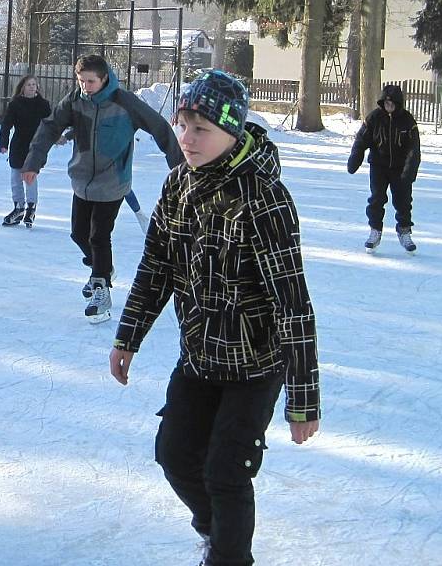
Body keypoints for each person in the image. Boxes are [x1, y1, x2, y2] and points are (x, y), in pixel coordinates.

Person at [109, 70, 320, 566]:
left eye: (200, 129)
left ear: (233, 131)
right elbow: (156, 266)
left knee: (227, 472)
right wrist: (128, 337)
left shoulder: (263, 199)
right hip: (200, 359)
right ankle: (218, 533)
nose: (186, 138)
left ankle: (228, 557)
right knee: (177, 457)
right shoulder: (178, 185)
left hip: (254, 366)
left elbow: (293, 302)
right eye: (183, 125)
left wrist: (304, 400)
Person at [21, 54, 181, 323]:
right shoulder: (74, 100)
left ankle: (101, 290)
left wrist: (181, 170)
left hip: (113, 182)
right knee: (78, 233)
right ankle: (102, 268)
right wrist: (33, 162)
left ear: (104, 78)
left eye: (91, 82)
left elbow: (160, 128)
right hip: (82, 181)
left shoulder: (124, 102)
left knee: (98, 236)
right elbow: (50, 127)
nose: (85, 86)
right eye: (81, 81)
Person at [347, 84, 421, 253]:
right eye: (386, 103)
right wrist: (354, 160)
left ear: (398, 104)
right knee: (376, 199)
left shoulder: (407, 121)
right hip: (378, 167)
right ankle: (375, 230)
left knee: (403, 201)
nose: (389, 106)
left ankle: (404, 231)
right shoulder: (374, 118)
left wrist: (409, 172)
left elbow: (414, 150)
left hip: (400, 168)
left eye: (392, 103)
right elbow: (361, 141)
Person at [0, 75, 51, 228]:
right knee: (16, 177)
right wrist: (3, 143)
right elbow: (6, 124)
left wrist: (51, 140)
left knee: (30, 177)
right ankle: (18, 208)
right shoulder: (15, 104)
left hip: (35, 146)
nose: (32, 87)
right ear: (22, 87)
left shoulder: (43, 105)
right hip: (18, 145)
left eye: (34, 84)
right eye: (29, 85)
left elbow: (51, 125)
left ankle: (31, 208)